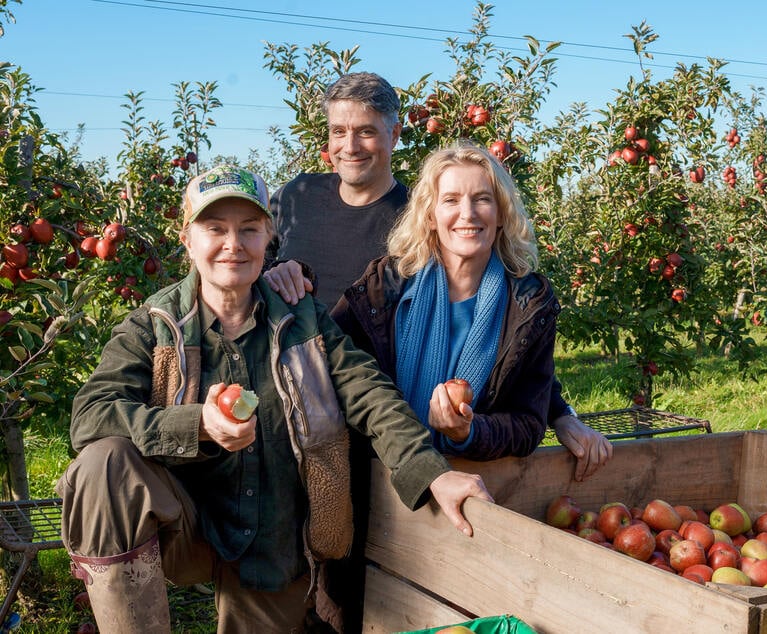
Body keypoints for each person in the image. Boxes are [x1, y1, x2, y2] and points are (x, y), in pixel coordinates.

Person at [55, 165, 492, 633]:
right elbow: (90, 415)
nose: (233, 244)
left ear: (269, 236)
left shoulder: (303, 320)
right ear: (188, 239)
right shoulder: (156, 325)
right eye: (214, 229)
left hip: (272, 539)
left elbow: (370, 394)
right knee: (104, 462)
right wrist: (197, 424)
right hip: (181, 524)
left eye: (248, 229)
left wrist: (431, 474)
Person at [265, 71, 612, 478]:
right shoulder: (295, 197)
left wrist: (560, 414)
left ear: (394, 135)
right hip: (300, 411)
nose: (350, 146)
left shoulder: (418, 227)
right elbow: (250, 265)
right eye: (338, 131)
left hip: (380, 443)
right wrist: (272, 272)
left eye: (365, 132)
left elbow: (513, 351)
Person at [332, 143, 559, 460]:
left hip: (477, 487)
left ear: (501, 215)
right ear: (430, 216)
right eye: (451, 200)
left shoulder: (529, 305)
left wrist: (471, 431)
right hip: (382, 479)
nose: (467, 213)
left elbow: (528, 422)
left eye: (482, 199)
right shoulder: (384, 286)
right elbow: (335, 369)